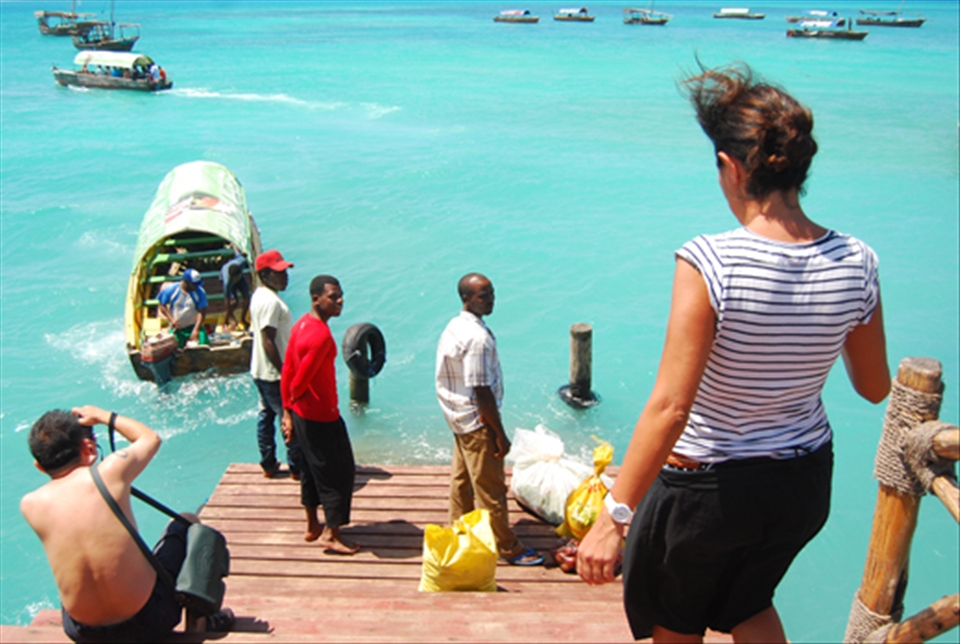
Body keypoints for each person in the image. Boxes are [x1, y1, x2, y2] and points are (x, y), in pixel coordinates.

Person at [576, 63, 890, 643]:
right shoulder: (858, 260)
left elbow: (672, 406)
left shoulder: (710, 261)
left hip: (707, 494)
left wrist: (613, 518)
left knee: (677, 623)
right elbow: (874, 387)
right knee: (749, 603)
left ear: (731, 166)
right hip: (800, 485)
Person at [20, 406, 234, 642]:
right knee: (190, 522)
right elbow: (149, 437)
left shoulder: (30, 504)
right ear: (89, 448)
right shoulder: (109, 472)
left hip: (84, 633)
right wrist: (103, 416)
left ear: (39, 466)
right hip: (151, 620)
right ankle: (197, 629)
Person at [435, 273, 544, 566]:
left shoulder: (455, 326)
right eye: (483, 295)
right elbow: (482, 390)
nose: (491, 299)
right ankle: (507, 546)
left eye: (492, 293)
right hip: (477, 420)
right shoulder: (478, 338)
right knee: (491, 487)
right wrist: (499, 433)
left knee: (461, 480)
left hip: (457, 417)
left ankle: (458, 531)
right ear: (466, 299)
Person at [280, 275, 359, 554]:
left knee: (311, 470)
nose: (340, 301)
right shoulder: (321, 336)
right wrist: (294, 402)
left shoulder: (301, 324)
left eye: (340, 295)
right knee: (339, 472)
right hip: (321, 416)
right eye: (333, 297)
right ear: (316, 299)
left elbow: (287, 369)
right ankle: (331, 533)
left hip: (301, 414)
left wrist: (287, 412)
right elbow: (299, 380)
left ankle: (312, 525)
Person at [249, 249, 302, 479]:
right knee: (289, 419)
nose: (285, 277)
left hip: (258, 369)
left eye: (285, 271)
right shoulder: (272, 303)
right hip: (273, 373)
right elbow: (268, 338)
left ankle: (268, 463)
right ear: (265, 275)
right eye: (279, 273)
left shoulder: (258, 296)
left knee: (265, 416)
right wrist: (284, 371)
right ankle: (297, 467)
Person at [157, 268, 209, 348]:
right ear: (186, 282)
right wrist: (172, 320)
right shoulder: (172, 289)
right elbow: (162, 305)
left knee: (203, 345)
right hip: (178, 328)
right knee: (175, 347)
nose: (196, 287)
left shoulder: (200, 292)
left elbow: (202, 311)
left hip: (193, 326)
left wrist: (196, 329)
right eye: (193, 284)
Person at [220, 251, 251, 331]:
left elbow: (237, 253)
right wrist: (232, 319)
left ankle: (243, 319)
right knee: (234, 302)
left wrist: (236, 248)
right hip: (226, 277)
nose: (235, 280)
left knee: (247, 297)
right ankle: (226, 322)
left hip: (240, 277)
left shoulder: (242, 261)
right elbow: (226, 300)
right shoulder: (227, 282)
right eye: (235, 278)